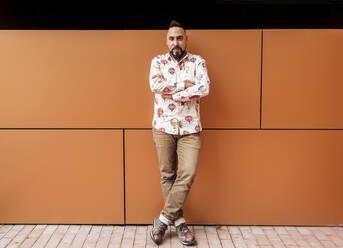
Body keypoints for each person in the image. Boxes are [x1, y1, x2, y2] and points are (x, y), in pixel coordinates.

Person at [149, 20, 210, 246]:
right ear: (167, 41)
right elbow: (155, 84)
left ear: (186, 40)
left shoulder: (198, 61)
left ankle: (163, 220)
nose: (176, 42)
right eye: (172, 38)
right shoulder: (158, 61)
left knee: (188, 173)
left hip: (190, 127)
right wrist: (187, 89)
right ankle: (180, 222)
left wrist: (175, 93)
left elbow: (205, 87)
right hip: (163, 126)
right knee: (168, 175)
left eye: (180, 38)